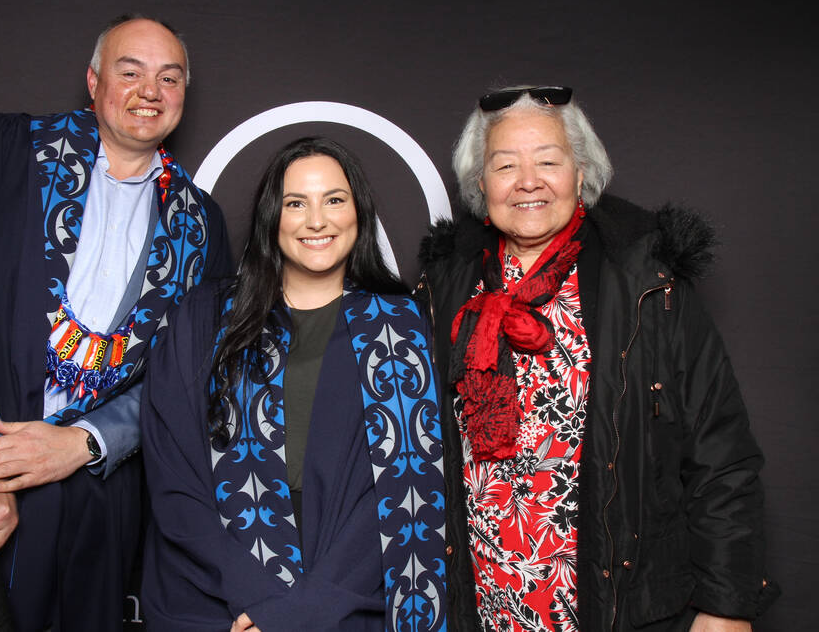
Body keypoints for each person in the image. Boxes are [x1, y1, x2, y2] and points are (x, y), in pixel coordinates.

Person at [0, 14, 231, 631]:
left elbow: (184, 381)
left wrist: (82, 442)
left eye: (170, 77)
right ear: (93, 80)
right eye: (129, 72)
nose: (150, 91)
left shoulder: (201, 228)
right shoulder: (8, 155)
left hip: (91, 499)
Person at [416, 86, 777, 631]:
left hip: (615, 608)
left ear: (581, 175)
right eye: (505, 165)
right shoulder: (446, 286)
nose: (528, 181)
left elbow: (720, 454)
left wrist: (726, 605)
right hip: (484, 607)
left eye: (548, 161)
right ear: (480, 185)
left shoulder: (647, 282)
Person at [140, 136, 448, 631]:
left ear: (359, 212)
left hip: (347, 596)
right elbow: (173, 476)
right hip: (220, 600)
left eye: (334, 200)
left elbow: (406, 488)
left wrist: (306, 611)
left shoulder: (403, 327)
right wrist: (255, 596)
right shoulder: (202, 318)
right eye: (296, 203)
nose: (317, 220)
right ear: (271, 218)